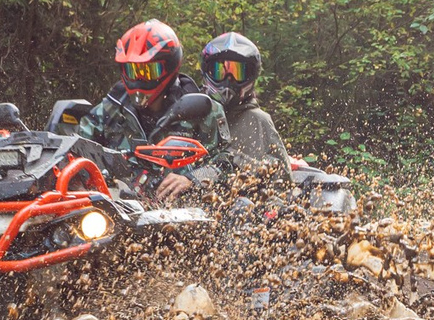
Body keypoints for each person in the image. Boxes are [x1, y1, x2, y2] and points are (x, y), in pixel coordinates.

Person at [74, 20, 229, 202]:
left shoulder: (202, 111)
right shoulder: (110, 109)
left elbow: (225, 164)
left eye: (148, 71)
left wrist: (191, 179)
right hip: (116, 213)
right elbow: (75, 151)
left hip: (184, 213)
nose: (139, 80)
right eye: (133, 71)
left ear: (170, 66)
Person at [200, 32, 286, 166]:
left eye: (238, 73)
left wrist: (233, 163)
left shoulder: (258, 121)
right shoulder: (195, 115)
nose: (228, 80)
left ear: (251, 76)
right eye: (220, 71)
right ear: (207, 72)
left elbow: (282, 174)